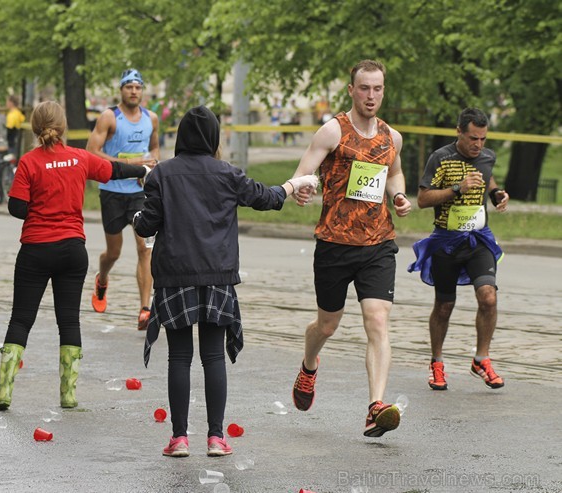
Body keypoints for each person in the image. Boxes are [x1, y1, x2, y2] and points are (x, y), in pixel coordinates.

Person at [134, 106, 318, 458]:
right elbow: (267, 198)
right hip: (217, 275)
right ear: (214, 138)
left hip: (174, 277)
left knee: (179, 357)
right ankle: (216, 438)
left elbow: (147, 225)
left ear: (182, 137)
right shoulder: (226, 173)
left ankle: (179, 439)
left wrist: (137, 217)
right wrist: (295, 184)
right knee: (214, 356)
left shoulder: (163, 175)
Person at [0, 101, 154, 411]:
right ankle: (68, 395)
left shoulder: (28, 162)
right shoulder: (80, 158)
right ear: (63, 127)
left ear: (35, 128)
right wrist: (144, 169)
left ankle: (4, 393)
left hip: (36, 250)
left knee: (21, 318)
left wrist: (39, 203)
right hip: (72, 251)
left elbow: (17, 207)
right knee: (69, 321)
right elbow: (114, 171)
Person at [288, 59, 412, 438]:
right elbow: (301, 174)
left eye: (377, 89)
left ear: (383, 91)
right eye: (364, 88)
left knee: (377, 320)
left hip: (378, 243)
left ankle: (375, 407)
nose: (371, 95)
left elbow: (394, 173)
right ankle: (309, 365)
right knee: (327, 324)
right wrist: (304, 188)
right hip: (334, 244)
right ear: (351, 90)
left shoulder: (392, 137)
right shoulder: (332, 131)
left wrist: (400, 196)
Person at [408, 108, 508, 391]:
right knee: (444, 306)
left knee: (488, 298)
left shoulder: (487, 157)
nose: (478, 145)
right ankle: (437, 363)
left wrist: (497, 194)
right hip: (446, 242)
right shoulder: (441, 158)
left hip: (479, 240)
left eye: (483, 139)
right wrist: (457, 189)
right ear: (459, 133)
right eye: (472, 138)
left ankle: (481, 359)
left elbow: (487, 178)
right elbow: (424, 199)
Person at [86, 68, 160, 330]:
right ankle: (102, 278)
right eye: (129, 86)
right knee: (114, 252)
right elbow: (92, 153)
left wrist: (151, 165)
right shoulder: (109, 117)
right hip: (112, 191)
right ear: (121, 90)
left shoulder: (151, 118)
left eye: (138, 87)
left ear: (142, 91)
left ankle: (145, 309)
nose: (134, 91)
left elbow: (154, 147)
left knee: (145, 248)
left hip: (140, 193)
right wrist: (134, 163)